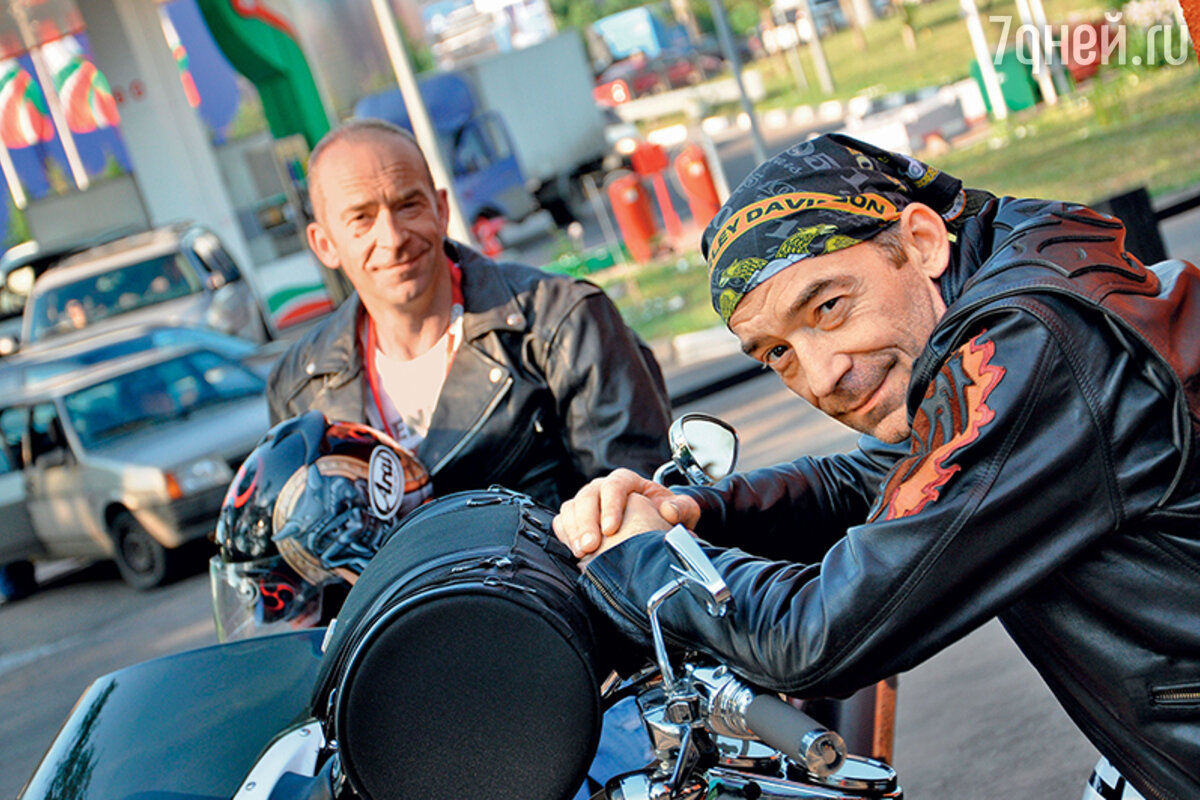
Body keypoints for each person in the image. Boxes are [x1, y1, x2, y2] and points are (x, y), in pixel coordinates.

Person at [553, 133, 1200, 800]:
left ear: (920, 241)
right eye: (778, 353)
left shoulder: (1034, 348)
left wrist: (641, 561)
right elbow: (867, 480)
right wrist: (688, 511)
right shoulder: (1003, 275)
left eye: (829, 307)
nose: (822, 375)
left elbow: (820, 635)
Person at [268, 119, 672, 509]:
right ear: (324, 244)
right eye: (362, 219)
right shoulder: (298, 387)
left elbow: (637, 504)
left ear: (441, 210)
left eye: (408, 205)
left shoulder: (562, 319)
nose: (392, 238)